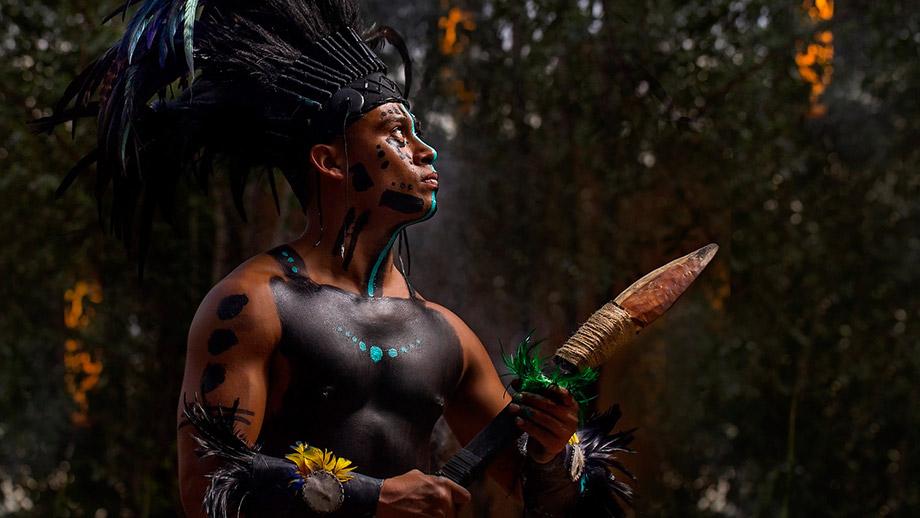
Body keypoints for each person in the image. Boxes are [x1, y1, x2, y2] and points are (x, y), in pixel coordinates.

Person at [38, 0, 633, 516]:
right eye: (395, 134)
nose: (425, 151)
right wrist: (374, 499)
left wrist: (553, 456)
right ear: (329, 162)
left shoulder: (445, 333)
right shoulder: (254, 305)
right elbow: (208, 488)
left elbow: (544, 499)